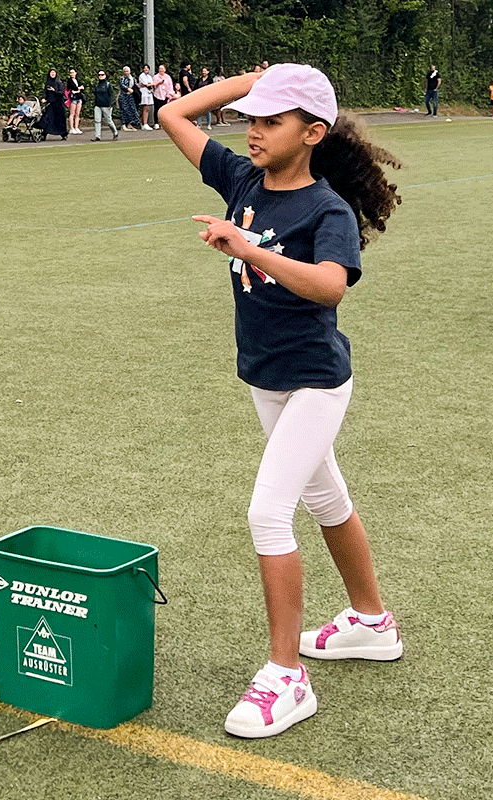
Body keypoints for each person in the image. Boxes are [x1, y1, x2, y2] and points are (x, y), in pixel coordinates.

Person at [159, 63, 403, 738]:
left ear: (314, 133)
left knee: (269, 511)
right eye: (251, 119)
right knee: (327, 500)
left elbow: (330, 287)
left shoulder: (326, 210)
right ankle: (372, 622)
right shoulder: (243, 179)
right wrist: (251, 81)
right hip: (266, 378)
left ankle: (286, 675)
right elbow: (172, 117)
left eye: (272, 120)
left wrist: (246, 248)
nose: (253, 130)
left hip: (316, 383)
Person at [90, 69, 119, 141]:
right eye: (99, 75)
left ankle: (115, 132)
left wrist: (111, 104)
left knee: (109, 121)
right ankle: (97, 136)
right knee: (97, 121)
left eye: (102, 75)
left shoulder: (108, 85)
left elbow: (111, 95)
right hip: (98, 105)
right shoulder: (97, 85)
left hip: (106, 105)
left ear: (105, 76)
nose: (100, 76)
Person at [40, 68, 68, 139]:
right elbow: (45, 92)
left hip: (59, 104)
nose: (52, 74)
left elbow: (61, 93)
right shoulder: (48, 82)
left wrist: (54, 90)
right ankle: (45, 133)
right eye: (51, 72)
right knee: (48, 118)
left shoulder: (59, 82)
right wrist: (44, 98)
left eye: (54, 72)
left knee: (60, 119)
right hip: (50, 103)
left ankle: (63, 134)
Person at [151, 64, 175, 130]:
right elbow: (153, 84)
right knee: (157, 109)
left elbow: (170, 86)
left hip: (165, 95)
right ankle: (156, 123)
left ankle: (163, 123)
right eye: (160, 69)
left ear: (165, 69)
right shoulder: (156, 77)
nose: (161, 70)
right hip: (157, 94)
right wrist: (159, 82)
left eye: (162, 69)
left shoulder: (168, 77)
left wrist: (170, 94)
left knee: (164, 110)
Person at [118, 66, 140, 130]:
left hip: (130, 96)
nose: (126, 72)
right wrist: (128, 89)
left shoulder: (132, 79)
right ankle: (124, 125)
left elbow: (135, 86)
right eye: (125, 71)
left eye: (127, 71)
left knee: (131, 110)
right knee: (124, 110)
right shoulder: (122, 78)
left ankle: (130, 124)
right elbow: (122, 85)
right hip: (123, 96)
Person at [67, 69, 85, 135]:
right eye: (70, 72)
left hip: (79, 98)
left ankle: (76, 127)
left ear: (76, 73)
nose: (72, 74)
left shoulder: (78, 80)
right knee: (72, 113)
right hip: (73, 99)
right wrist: (78, 89)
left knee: (77, 113)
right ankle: (72, 128)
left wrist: (77, 90)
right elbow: (73, 88)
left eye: (73, 72)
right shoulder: (69, 81)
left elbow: (82, 88)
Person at [138, 64, 155, 130]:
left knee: (148, 108)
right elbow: (146, 84)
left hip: (149, 93)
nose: (146, 69)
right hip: (144, 92)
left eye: (147, 68)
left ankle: (145, 123)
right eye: (145, 68)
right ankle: (144, 123)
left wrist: (151, 84)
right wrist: (152, 84)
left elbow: (150, 84)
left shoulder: (149, 76)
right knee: (145, 107)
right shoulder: (141, 76)